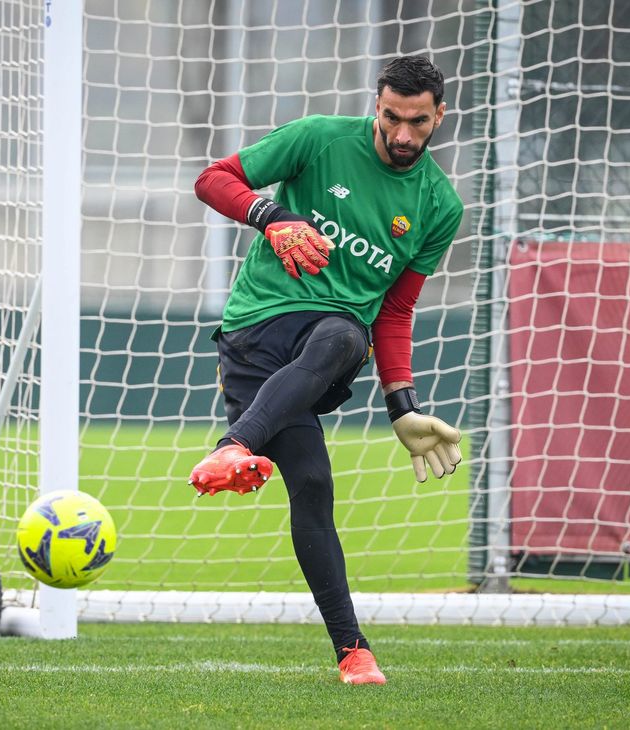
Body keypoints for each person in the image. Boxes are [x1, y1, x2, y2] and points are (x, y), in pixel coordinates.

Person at [189, 55, 464, 685]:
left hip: (325, 351)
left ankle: (353, 652)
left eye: (417, 123)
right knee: (339, 354)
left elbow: (396, 310)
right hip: (256, 337)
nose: (402, 134)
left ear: (438, 116)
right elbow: (213, 178)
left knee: (315, 478)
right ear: (377, 105)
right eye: (391, 117)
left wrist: (403, 407)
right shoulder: (319, 137)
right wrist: (273, 217)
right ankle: (235, 449)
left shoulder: (439, 206)